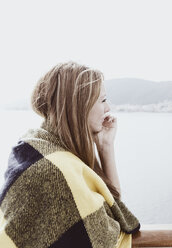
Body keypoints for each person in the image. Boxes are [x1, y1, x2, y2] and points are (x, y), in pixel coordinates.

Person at [0, 61, 140, 248]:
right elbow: (107, 236)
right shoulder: (55, 171)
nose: (108, 109)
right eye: (103, 100)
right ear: (80, 105)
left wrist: (105, 147)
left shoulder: (46, 151)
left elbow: (111, 209)